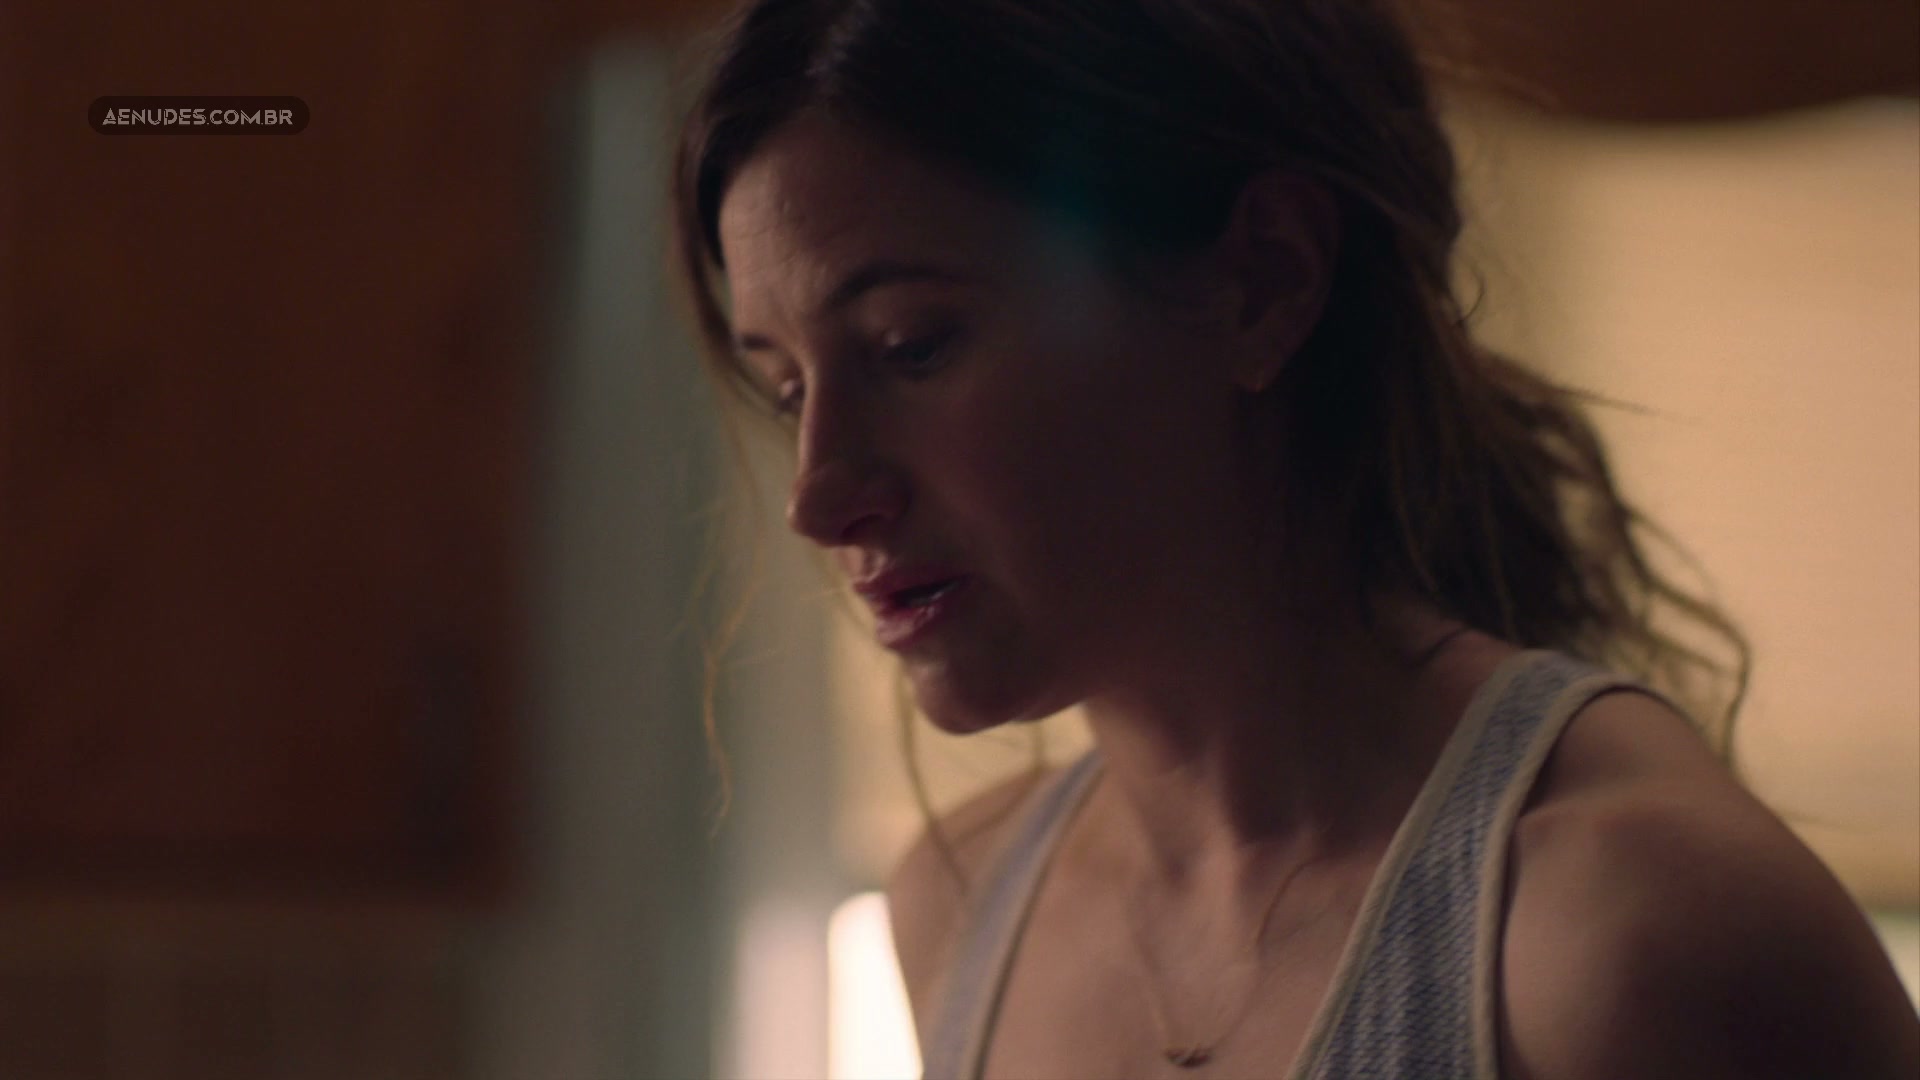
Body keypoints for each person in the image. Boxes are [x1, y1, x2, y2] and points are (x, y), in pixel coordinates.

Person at [672, 1, 1920, 1076]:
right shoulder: (958, 904)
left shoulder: (1634, 932)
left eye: (911, 346)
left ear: (1264, 280)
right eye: (786, 389)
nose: (819, 497)